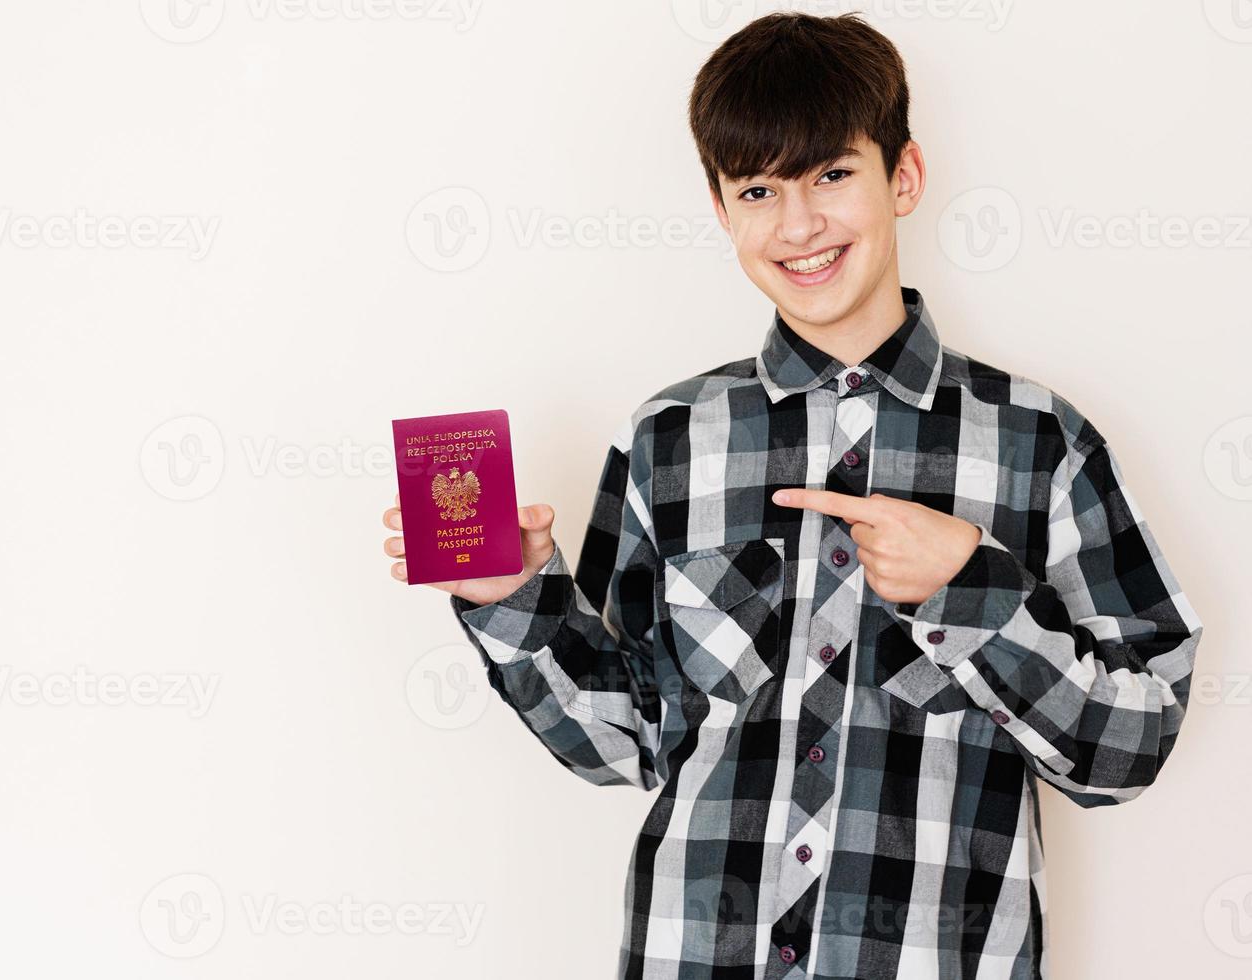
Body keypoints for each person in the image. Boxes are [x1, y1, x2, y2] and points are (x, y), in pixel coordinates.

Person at [382, 11, 1202, 978]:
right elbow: (625, 742)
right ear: (722, 209)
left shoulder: (1040, 442)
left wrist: (970, 591)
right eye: (759, 188)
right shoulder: (668, 440)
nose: (798, 224)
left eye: (831, 175)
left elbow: (1131, 748)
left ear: (904, 176)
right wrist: (514, 600)